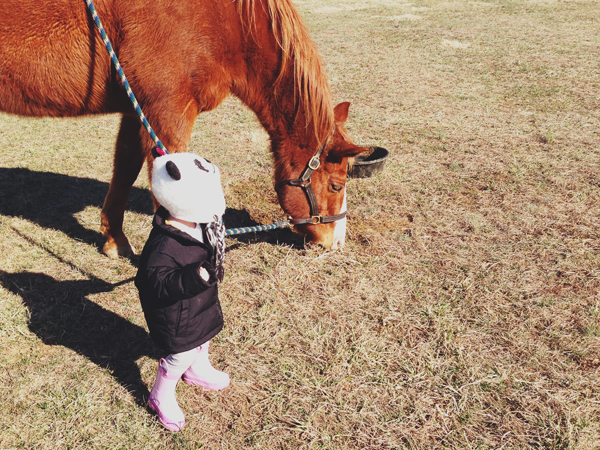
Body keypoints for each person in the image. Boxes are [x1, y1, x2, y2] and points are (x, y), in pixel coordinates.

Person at [135, 149, 229, 432]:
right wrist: (193, 277)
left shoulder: (196, 222)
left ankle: (197, 369)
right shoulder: (162, 248)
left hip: (198, 303)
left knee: (204, 339)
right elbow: (157, 285)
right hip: (175, 315)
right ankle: (160, 395)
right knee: (181, 353)